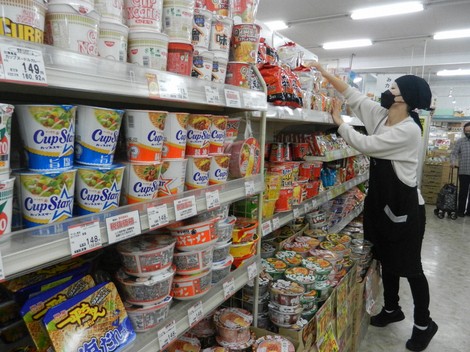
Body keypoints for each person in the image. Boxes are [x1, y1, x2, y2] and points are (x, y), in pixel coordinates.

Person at [306, 62, 437, 352]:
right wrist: (327, 76)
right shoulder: (383, 116)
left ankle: (424, 325)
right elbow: (357, 97)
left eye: (393, 89)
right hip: (382, 203)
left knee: (411, 267)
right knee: (385, 258)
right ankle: (392, 308)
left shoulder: (408, 130)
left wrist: (340, 123)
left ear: (405, 98)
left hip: (406, 211)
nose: (386, 93)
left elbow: (367, 145)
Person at [450, 122, 470, 217]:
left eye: (469, 131)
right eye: (466, 131)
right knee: (463, 192)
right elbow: (454, 153)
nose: (468, 133)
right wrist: (453, 162)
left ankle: (469, 212)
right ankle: (460, 211)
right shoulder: (460, 141)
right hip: (464, 171)